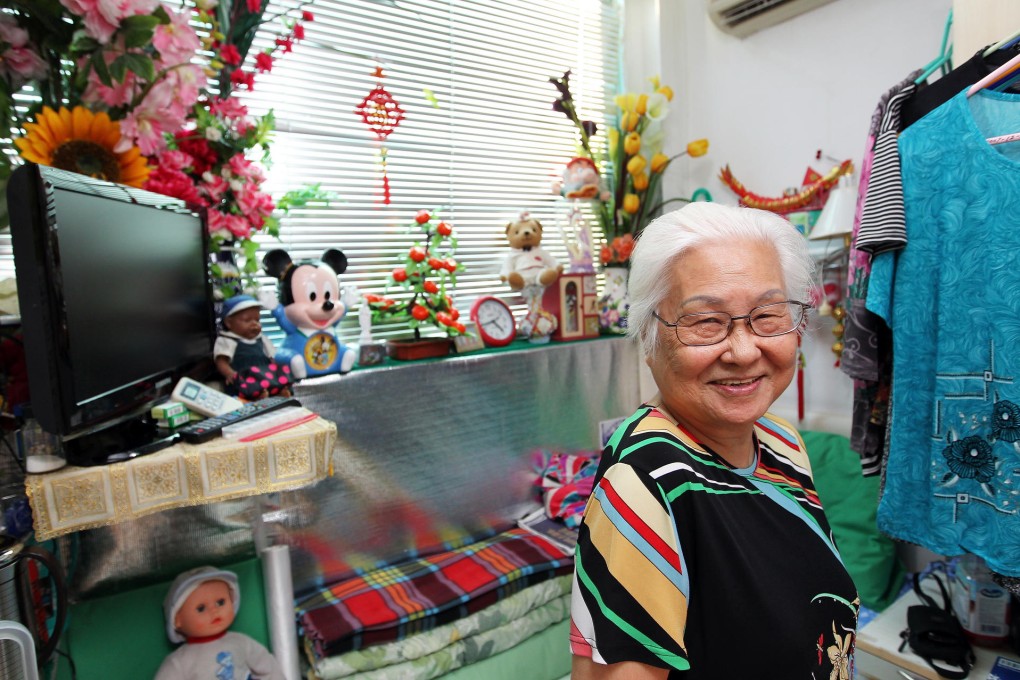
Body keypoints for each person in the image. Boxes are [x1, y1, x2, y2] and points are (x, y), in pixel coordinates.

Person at [570, 202, 859, 679]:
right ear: (648, 336)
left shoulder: (780, 441)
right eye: (705, 322)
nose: (744, 352)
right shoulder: (644, 488)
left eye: (768, 314)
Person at [155, 566, 285, 680]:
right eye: (201, 608)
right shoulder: (180, 661)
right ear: (177, 620)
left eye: (220, 602)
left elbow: (268, 666)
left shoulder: (240, 642)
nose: (214, 611)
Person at [214, 295, 291, 400]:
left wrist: (277, 370)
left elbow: (272, 356)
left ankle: (279, 391)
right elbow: (221, 361)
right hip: (244, 377)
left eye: (257, 320)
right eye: (247, 320)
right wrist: (229, 373)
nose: (254, 324)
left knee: (280, 377)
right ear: (229, 323)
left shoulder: (262, 339)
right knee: (246, 387)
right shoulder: (227, 340)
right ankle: (257, 396)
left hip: (264, 374)